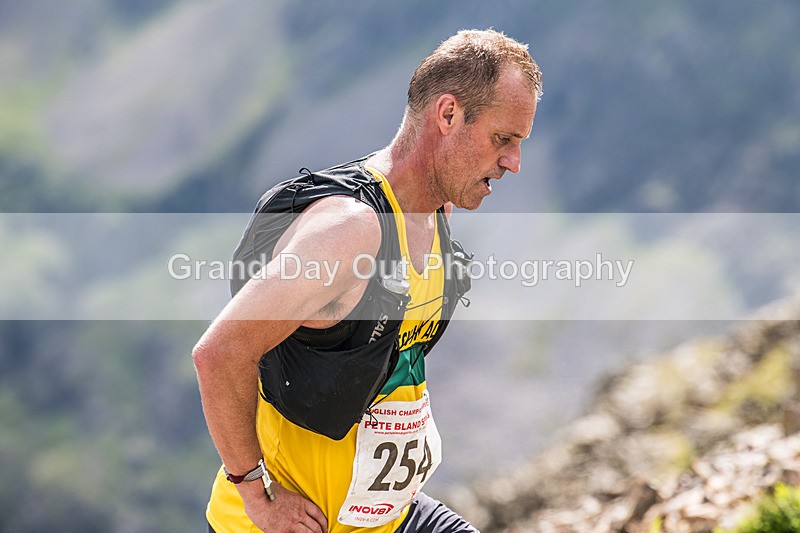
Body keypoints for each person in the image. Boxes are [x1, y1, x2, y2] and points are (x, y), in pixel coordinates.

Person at [193, 28, 542, 533]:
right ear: (447, 115)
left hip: (388, 518)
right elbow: (219, 354)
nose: (513, 162)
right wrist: (256, 493)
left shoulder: (437, 210)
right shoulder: (349, 230)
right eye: (502, 139)